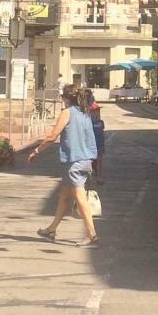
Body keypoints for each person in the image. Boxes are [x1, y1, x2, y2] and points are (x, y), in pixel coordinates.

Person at [29, 85, 98, 246]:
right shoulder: (85, 112)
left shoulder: (67, 113)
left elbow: (53, 136)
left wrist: (37, 150)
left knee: (80, 197)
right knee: (64, 196)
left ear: (66, 98)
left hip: (74, 161)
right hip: (85, 159)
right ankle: (52, 229)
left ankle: (91, 233)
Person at [90, 103, 105, 184]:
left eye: (98, 110)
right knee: (91, 161)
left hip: (100, 144)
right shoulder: (88, 122)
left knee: (99, 160)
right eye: (96, 111)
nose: (98, 112)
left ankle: (99, 176)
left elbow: (102, 132)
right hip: (91, 144)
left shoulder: (101, 122)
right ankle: (91, 176)